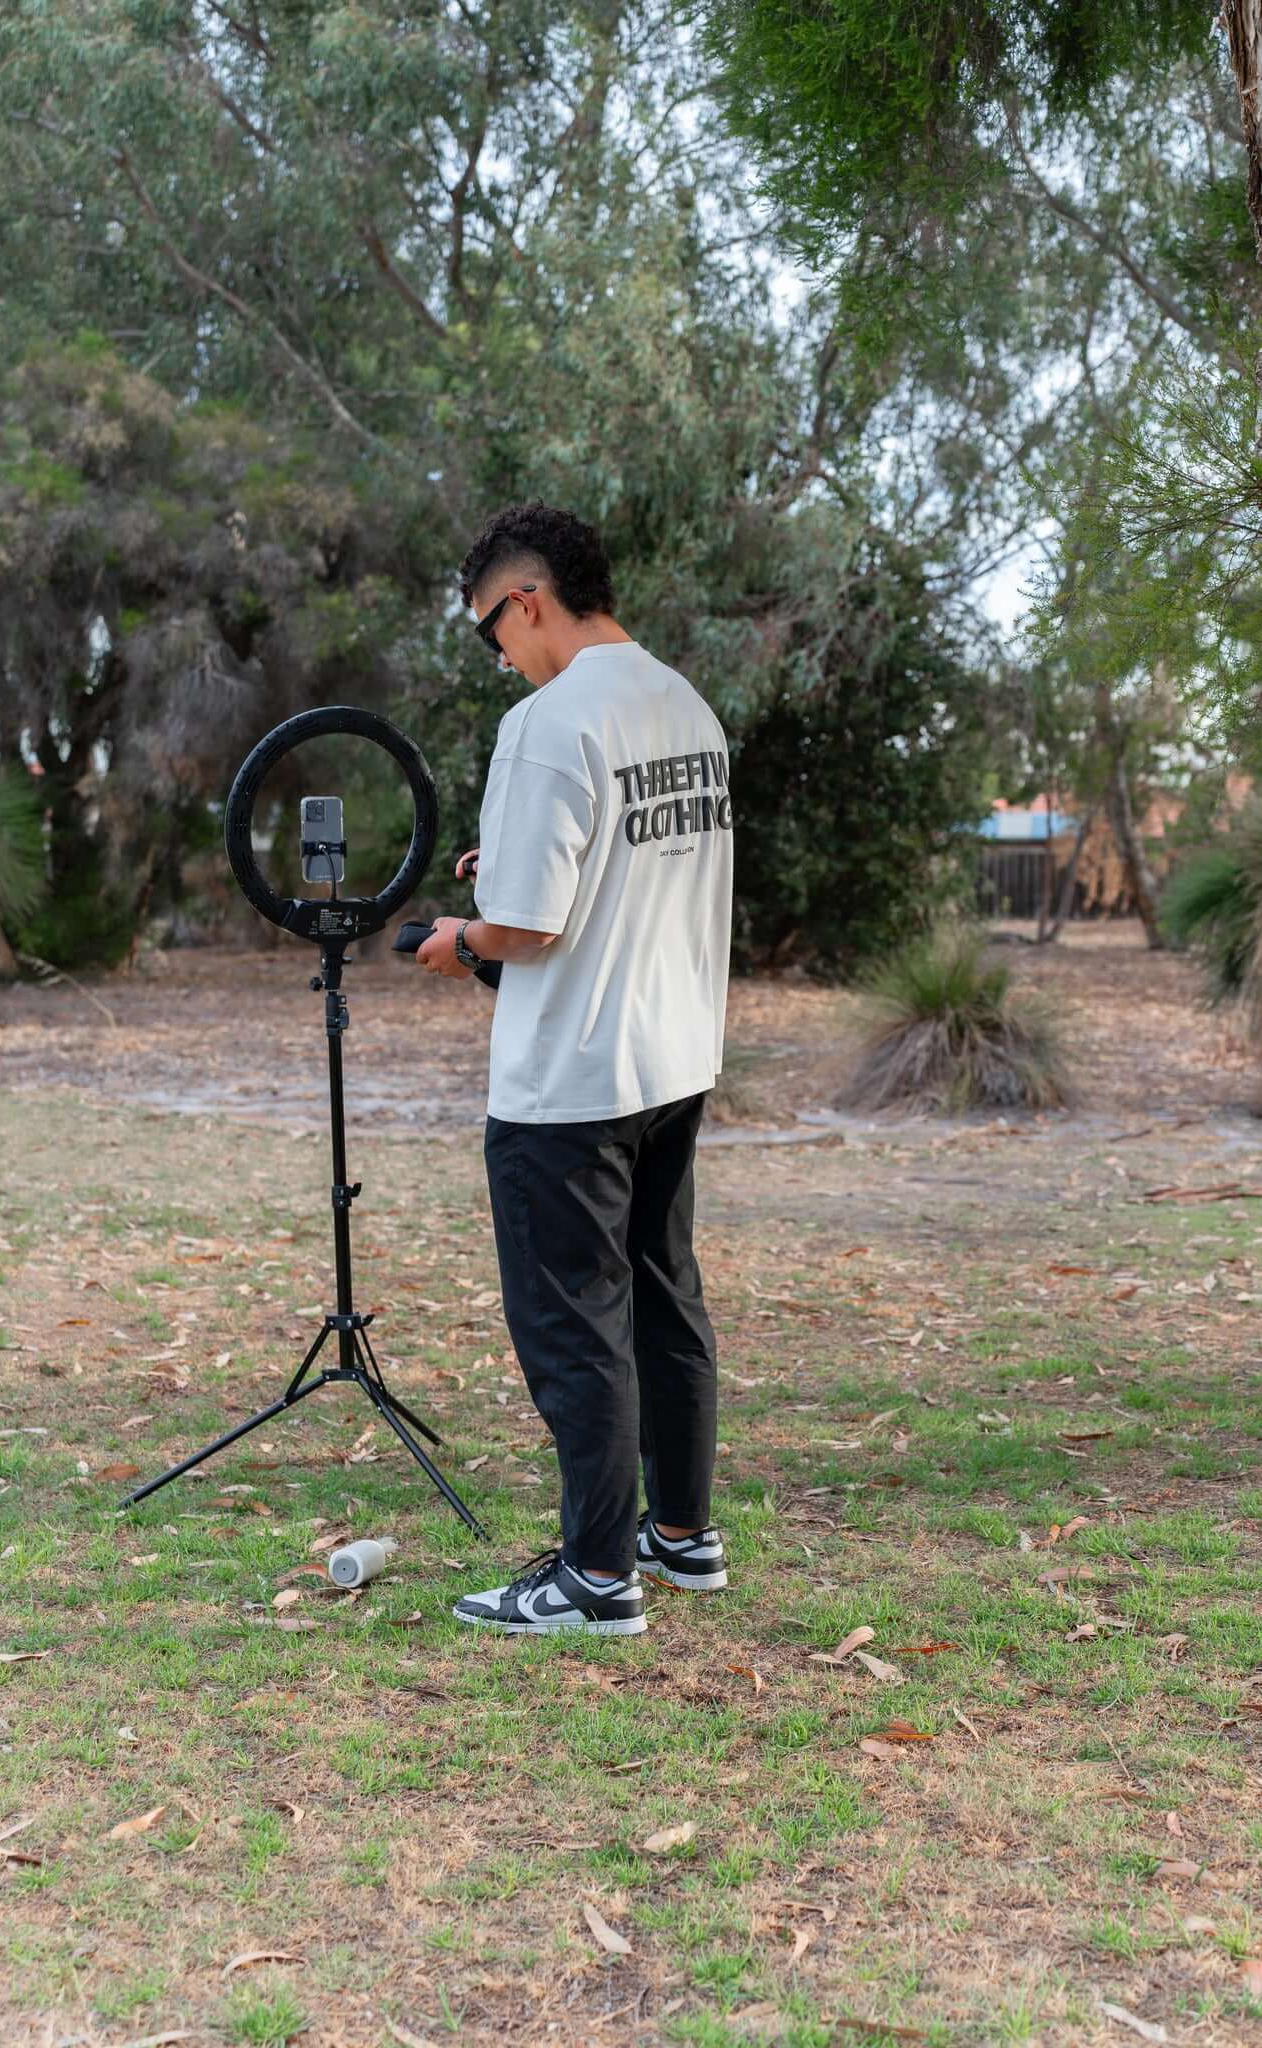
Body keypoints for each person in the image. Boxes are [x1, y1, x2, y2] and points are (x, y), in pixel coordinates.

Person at [414, 502, 733, 1635]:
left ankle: (596, 1576)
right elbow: (623, 875)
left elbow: (527, 927)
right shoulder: (683, 703)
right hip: (674, 1057)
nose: (497, 654)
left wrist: (461, 937)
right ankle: (683, 1536)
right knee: (662, 1293)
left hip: (572, 1083)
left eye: (490, 630)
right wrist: (503, 883)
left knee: (573, 1323)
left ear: (529, 599)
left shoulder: (551, 723)